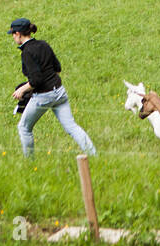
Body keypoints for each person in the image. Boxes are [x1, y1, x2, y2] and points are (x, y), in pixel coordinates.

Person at [8, 18, 97, 157]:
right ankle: (93, 155)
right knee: (72, 127)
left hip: (43, 96)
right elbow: (57, 68)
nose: (13, 37)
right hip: (60, 92)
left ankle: (29, 162)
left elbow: (36, 80)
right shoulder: (43, 44)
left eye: (13, 34)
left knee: (24, 128)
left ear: (18, 34)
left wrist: (21, 90)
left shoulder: (27, 52)